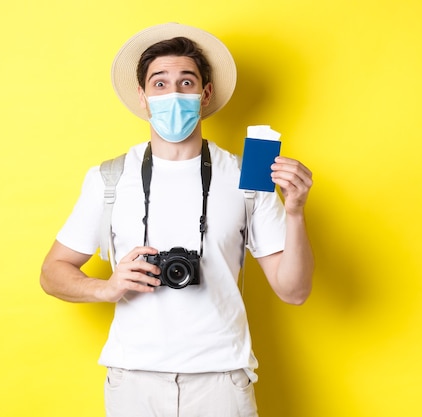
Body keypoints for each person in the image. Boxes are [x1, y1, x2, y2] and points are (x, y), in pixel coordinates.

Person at [40, 23, 314, 417]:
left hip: (222, 378)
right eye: (160, 83)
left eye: (186, 83)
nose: (173, 94)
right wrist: (108, 287)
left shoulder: (247, 179)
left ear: (204, 95)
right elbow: (52, 272)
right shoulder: (109, 179)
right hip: (133, 380)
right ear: (143, 96)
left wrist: (295, 212)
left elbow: (294, 291)